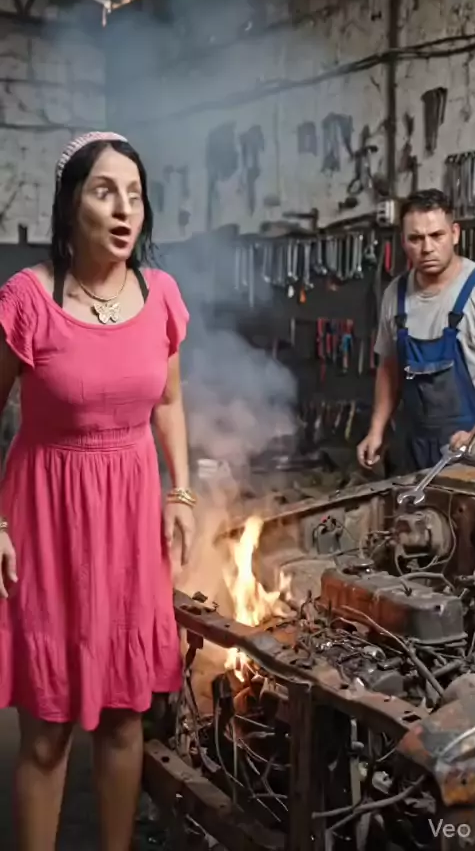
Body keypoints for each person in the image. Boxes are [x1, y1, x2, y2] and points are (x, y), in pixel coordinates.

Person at [0, 130, 196, 851]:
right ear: (70, 203)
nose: (124, 209)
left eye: (135, 195)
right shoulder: (27, 298)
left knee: (122, 717)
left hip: (131, 521)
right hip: (45, 521)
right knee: (47, 731)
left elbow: (168, 402)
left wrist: (181, 491)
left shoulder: (160, 294)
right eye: (105, 191)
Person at [357, 189, 475, 473]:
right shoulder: (395, 294)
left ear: (455, 234)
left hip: (472, 449)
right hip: (414, 447)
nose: (427, 248)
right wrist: (376, 430)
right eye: (416, 238)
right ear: (403, 242)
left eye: (437, 235)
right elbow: (389, 369)